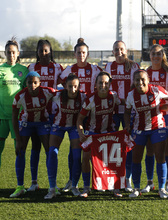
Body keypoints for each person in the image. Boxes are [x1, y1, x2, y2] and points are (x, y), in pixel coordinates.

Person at [0, 38, 29, 194]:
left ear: (18, 53)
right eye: (8, 52)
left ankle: (20, 185)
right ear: (5, 54)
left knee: (19, 149)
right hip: (1, 116)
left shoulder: (23, 71)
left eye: (13, 52)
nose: (11, 55)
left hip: (17, 118)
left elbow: (27, 93)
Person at [59, 38, 102, 192]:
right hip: (74, 112)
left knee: (90, 150)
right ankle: (73, 180)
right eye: (79, 53)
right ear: (75, 54)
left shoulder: (95, 69)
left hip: (91, 113)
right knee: (74, 149)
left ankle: (96, 181)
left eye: (84, 52)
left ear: (87, 54)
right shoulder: (69, 69)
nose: (81, 55)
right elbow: (60, 81)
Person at [124, 69, 168, 199]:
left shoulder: (157, 90)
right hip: (139, 129)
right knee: (136, 158)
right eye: (137, 80)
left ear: (148, 80)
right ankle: (136, 188)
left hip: (157, 128)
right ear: (133, 81)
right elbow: (127, 112)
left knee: (160, 157)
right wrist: (127, 125)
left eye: (142, 79)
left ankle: (162, 188)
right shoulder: (131, 95)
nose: (140, 82)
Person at [26, 39, 64, 192]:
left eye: (46, 50)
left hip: (52, 115)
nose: (43, 53)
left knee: (50, 148)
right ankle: (34, 182)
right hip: (35, 115)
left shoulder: (57, 67)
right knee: (35, 147)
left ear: (51, 52)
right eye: (41, 51)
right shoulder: (32, 67)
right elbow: (26, 89)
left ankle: (51, 184)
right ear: (37, 52)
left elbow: (66, 85)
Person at [76, 71, 121, 197]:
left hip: (109, 132)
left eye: (106, 83)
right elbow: (80, 119)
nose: (103, 85)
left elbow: (121, 107)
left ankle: (114, 187)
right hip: (92, 133)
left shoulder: (113, 96)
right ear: (95, 84)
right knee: (85, 157)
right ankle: (86, 187)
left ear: (110, 84)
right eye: (100, 83)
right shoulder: (90, 99)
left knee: (114, 159)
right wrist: (81, 133)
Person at [10, 71, 55, 198]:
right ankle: (20, 186)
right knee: (20, 151)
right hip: (26, 124)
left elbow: (62, 94)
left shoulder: (47, 91)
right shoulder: (20, 96)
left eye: (35, 82)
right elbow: (14, 116)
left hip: (42, 123)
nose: (33, 85)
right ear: (26, 83)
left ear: (40, 83)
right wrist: (17, 139)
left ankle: (53, 186)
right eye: (30, 82)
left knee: (49, 150)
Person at [143, 44, 168, 194]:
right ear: (150, 56)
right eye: (153, 54)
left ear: (162, 56)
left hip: (165, 116)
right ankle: (150, 182)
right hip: (149, 116)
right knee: (150, 149)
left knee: (166, 149)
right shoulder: (146, 73)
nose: (156, 57)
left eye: (159, 54)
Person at [104, 40, 140, 192]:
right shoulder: (108, 67)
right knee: (112, 146)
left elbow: (137, 86)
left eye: (121, 49)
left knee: (128, 146)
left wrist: (126, 100)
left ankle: (128, 179)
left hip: (129, 112)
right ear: (112, 52)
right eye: (116, 49)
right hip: (112, 112)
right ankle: (113, 179)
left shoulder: (134, 66)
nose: (119, 52)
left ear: (126, 50)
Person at [44, 74, 87, 199]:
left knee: (77, 155)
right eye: (70, 86)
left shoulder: (83, 96)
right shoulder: (57, 95)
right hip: (58, 125)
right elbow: (42, 93)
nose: (73, 90)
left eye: (75, 87)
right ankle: (52, 188)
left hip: (74, 127)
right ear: (65, 86)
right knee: (52, 152)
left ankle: (74, 186)